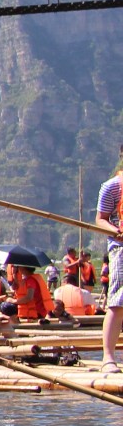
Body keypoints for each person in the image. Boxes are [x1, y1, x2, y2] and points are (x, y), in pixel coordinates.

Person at [99, 149, 123, 374]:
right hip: (121, 248)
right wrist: (116, 231)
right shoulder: (111, 187)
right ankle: (108, 357)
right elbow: (100, 220)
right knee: (118, 301)